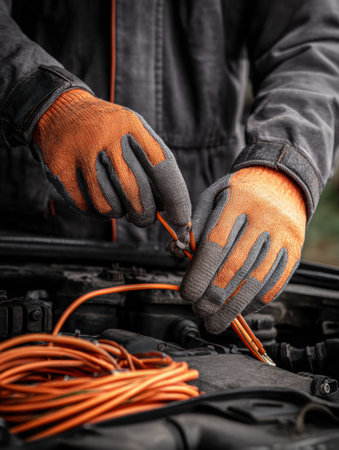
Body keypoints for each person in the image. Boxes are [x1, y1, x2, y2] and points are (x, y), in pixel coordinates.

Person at [1, 0, 339, 334]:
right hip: (25, 248)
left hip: (204, 251)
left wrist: (283, 168)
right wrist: (41, 100)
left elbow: (312, 41)